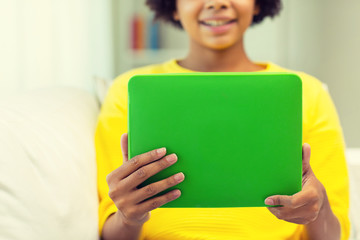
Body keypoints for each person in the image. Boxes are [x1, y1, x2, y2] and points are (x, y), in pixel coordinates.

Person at [95, 0, 350, 239]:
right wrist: (129, 217)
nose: (217, 3)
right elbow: (110, 232)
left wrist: (318, 208)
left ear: (258, 3)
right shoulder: (128, 92)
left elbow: (334, 234)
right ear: (173, 6)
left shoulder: (309, 93)